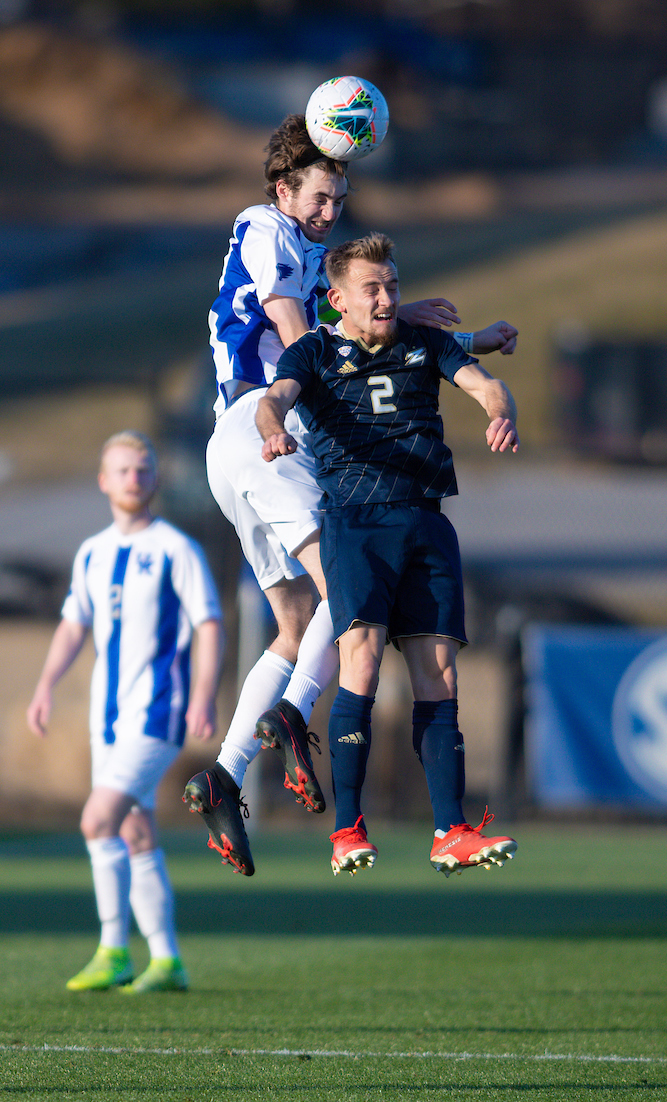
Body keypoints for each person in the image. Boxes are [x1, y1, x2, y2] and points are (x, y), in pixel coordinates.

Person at [184, 113, 518, 875]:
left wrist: (438, 333)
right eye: (322, 196)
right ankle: (295, 718)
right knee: (354, 590)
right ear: (283, 188)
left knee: (298, 621)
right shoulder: (264, 225)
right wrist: (403, 325)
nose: (332, 212)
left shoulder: (303, 248)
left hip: (237, 448)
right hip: (260, 431)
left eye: (341, 198)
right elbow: (308, 342)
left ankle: (226, 776)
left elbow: (353, 337)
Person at [253, 232, 519, 876]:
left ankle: (450, 830)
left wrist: (497, 409)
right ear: (337, 299)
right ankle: (347, 829)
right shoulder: (315, 349)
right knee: (363, 666)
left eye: (392, 286)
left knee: (440, 676)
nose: (386, 297)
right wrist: (270, 433)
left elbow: (484, 383)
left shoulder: (424, 343)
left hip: (426, 523)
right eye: (372, 288)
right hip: (356, 525)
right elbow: (274, 400)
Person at [26, 431, 224, 991]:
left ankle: (113, 949)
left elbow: (208, 622)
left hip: (155, 713)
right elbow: (73, 623)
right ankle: (167, 961)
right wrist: (45, 684)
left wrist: (204, 694)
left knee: (97, 820)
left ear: (154, 478)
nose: (133, 479)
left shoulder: (174, 549)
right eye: (123, 470)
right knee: (135, 833)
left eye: (143, 469)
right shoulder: (92, 551)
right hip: (104, 719)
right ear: (103, 481)